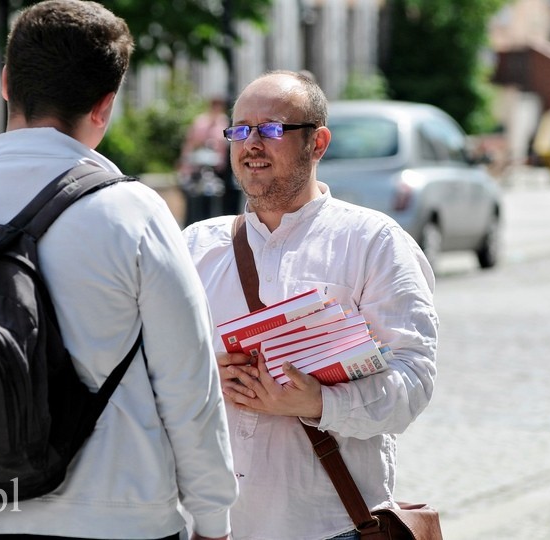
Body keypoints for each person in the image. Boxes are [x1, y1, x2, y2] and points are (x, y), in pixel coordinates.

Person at [0, 2, 237, 539]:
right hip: (114, 520)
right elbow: (188, 387)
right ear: (104, 105)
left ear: (6, 82)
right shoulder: (134, 214)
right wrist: (213, 518)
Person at [183, 70, 438, 539]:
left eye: (272, 129)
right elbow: (147, 372)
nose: (251, 144)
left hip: (330, 524)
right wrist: (202, 375)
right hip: (213, 526)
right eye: (240, 129)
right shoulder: (195, 247)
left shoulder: (374, 242)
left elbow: (414, 380)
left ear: (317, 143)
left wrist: (319, 403)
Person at [178, 96, 231, 225]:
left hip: (218, 169)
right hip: (198, 167)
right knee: (195, 201)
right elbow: (190, 143)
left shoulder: (224, 122)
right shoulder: (201, 122)